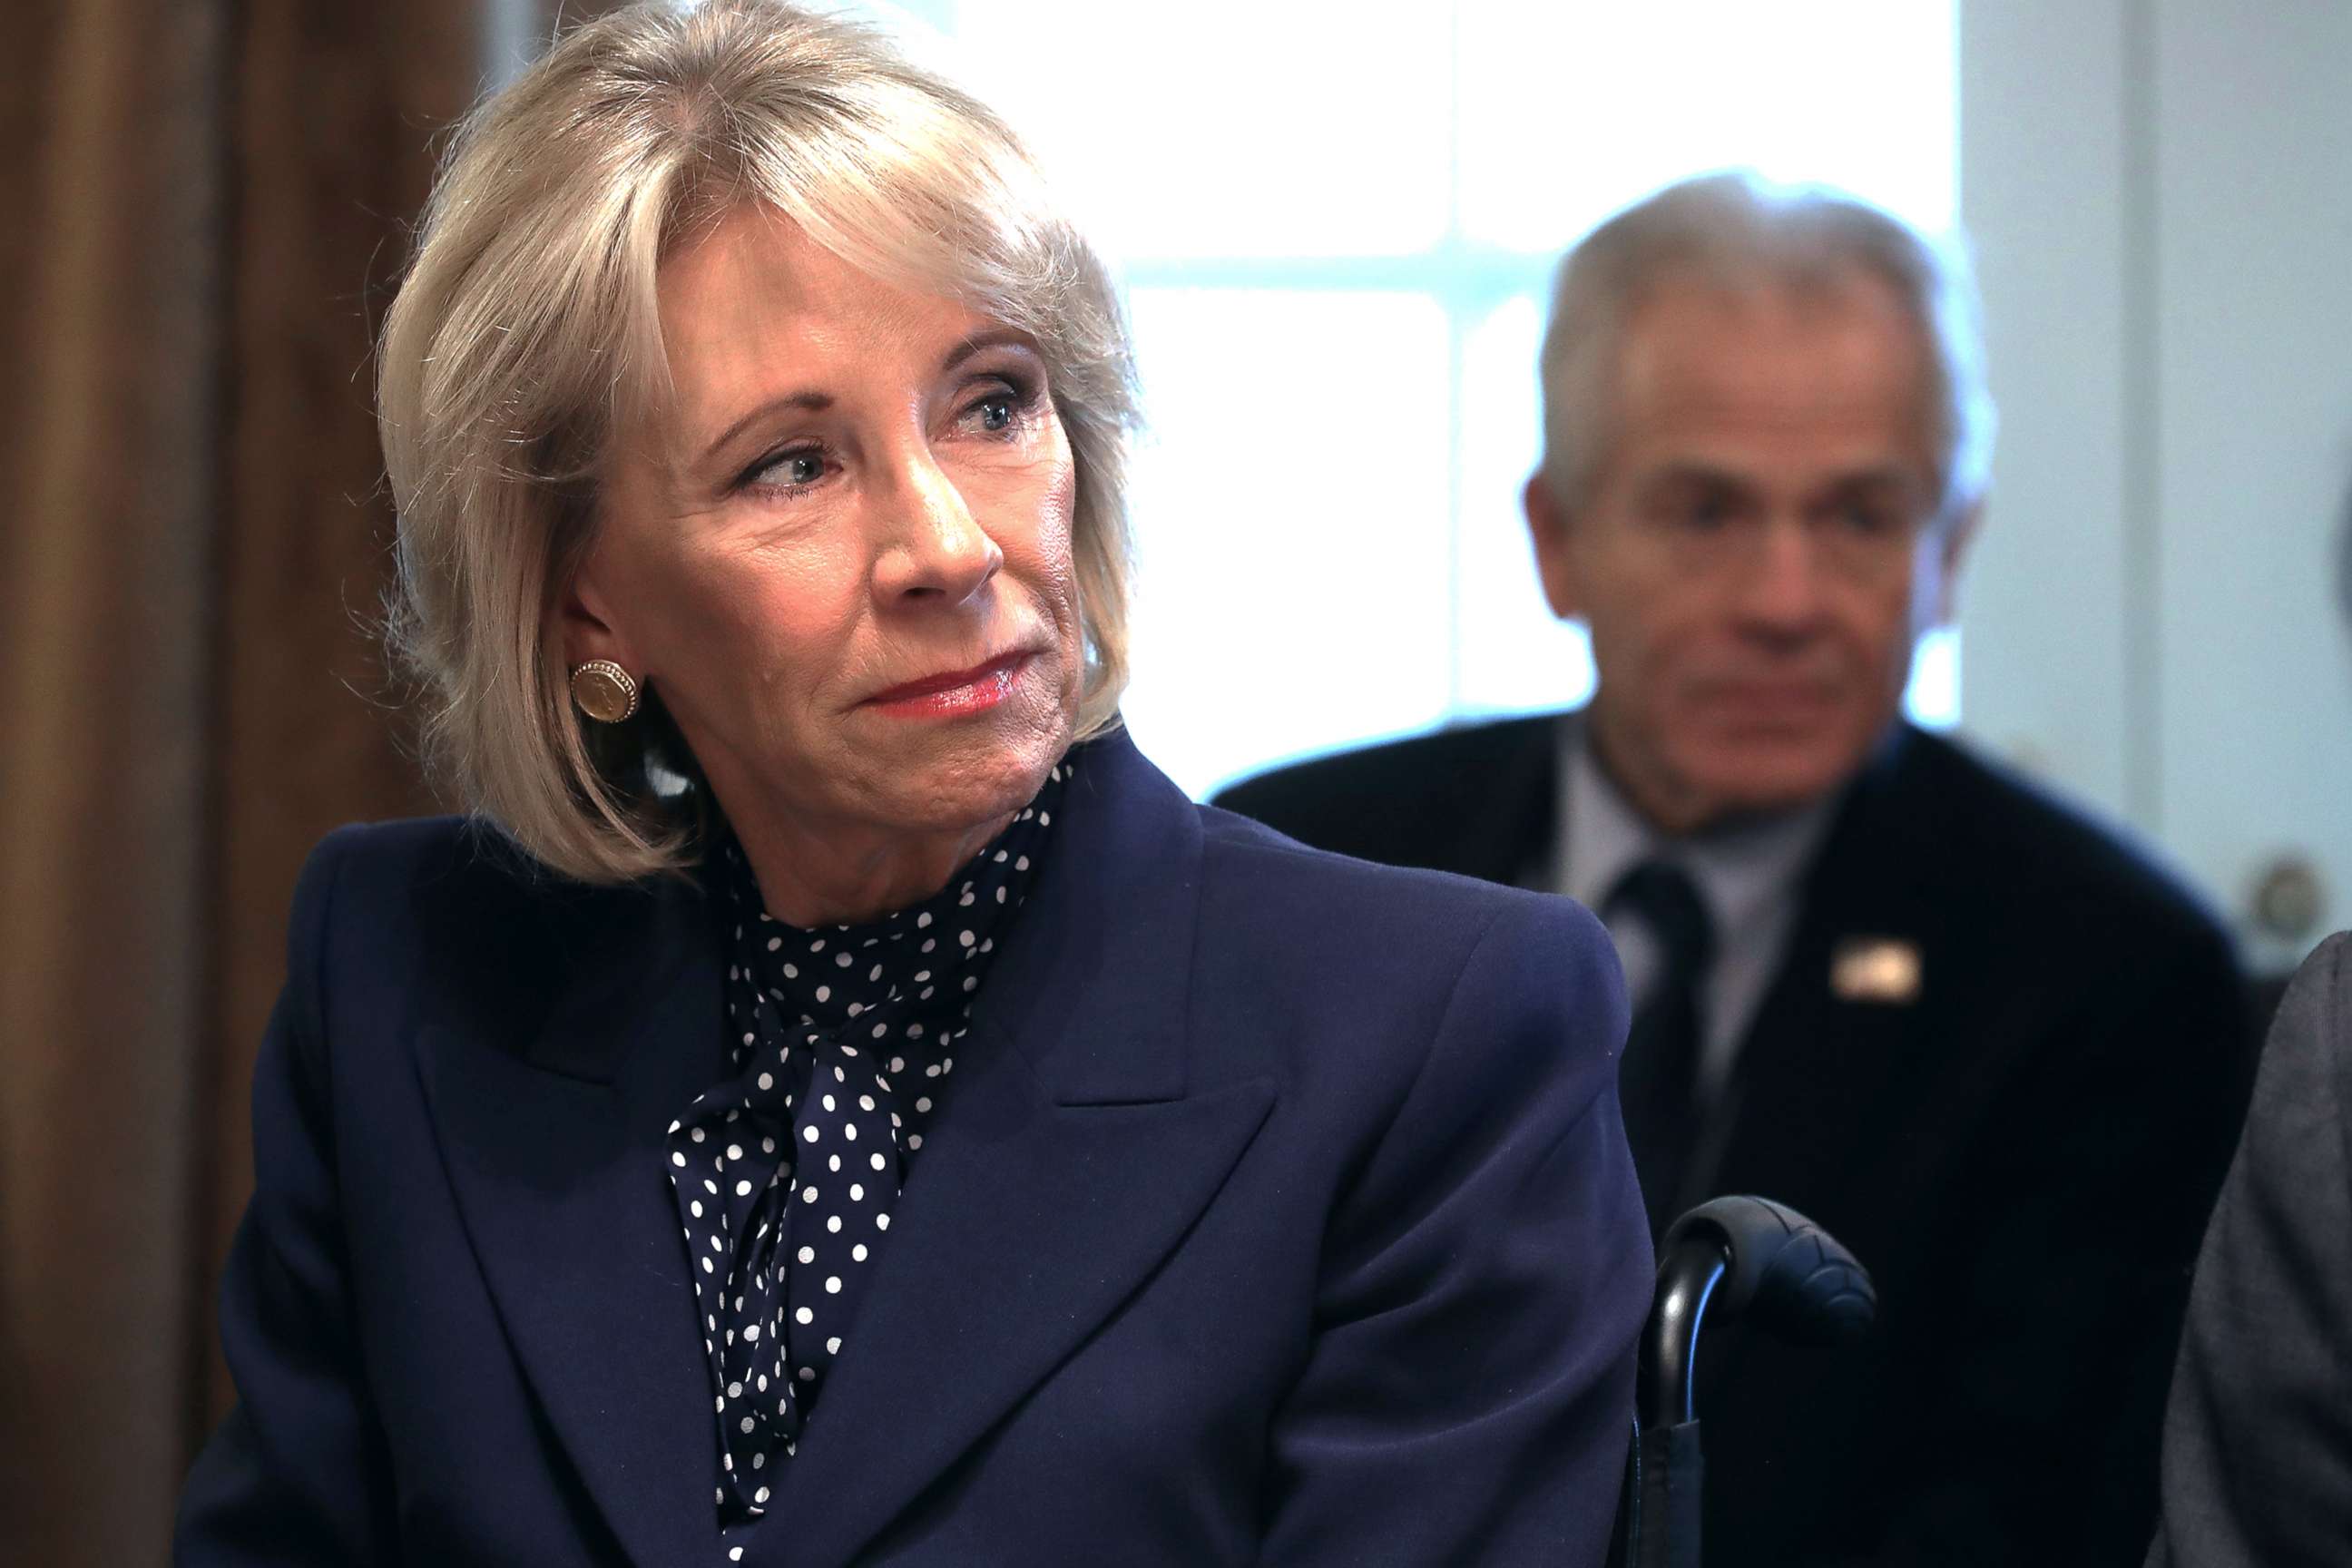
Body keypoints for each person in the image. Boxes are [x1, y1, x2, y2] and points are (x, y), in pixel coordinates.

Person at [171, 5, 1651, 1563]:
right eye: (791, 466)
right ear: (583, 593)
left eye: (994, 403)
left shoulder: (1442, 1032)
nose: (952, 545)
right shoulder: (404, 976)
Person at [1216, 173, 2249, 1565]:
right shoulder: (1295, 867)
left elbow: (2042, 1511)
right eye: (1705, 513)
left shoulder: (2107, 975)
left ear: (1949, 554)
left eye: (1861, 519)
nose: (1784, 602)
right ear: (1558, 540)